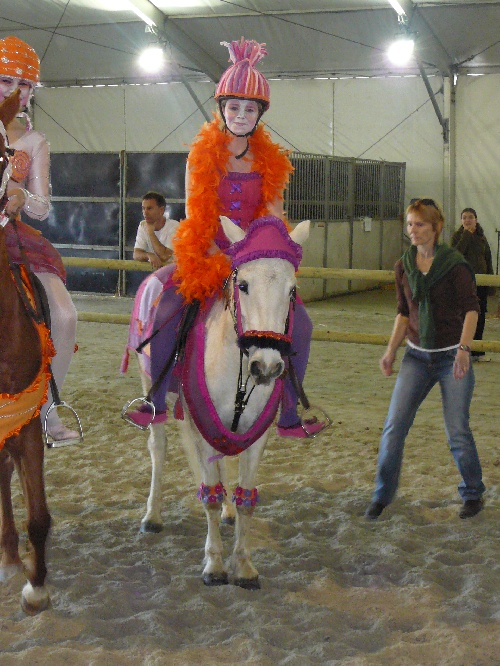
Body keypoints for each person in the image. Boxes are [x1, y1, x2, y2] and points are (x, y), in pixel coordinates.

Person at [125, 37, 327, 438]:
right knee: (166, 307)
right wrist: (220, 253)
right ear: (221, 108)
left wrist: (267, 254)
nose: (240, 114)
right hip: (209, 251)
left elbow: (271, 215)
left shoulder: (270, 161)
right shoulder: (199, 156)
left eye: (249, 108)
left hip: (253, 257)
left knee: (300, 322)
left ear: (259, 113)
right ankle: (156, 398)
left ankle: (288, 412)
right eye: (233, 106)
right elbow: (196, 213)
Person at [365, 199, 485, 521]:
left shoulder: (455, 265)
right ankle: (381, 495)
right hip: (416, 357)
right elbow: (404, 313)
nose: (412, 230)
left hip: (450, 357)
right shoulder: (403, 266)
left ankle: (473, 493)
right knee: (393, 427)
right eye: (409, 224)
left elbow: (472, 309)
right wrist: (391, 351)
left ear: (435, 228)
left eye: (419, 224)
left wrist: (463, 349)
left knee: (457, 429)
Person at [0, 36, 79, 444]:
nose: (15, 90)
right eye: (6, 80)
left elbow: (43, 208)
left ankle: (49, 410)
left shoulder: (35, 142)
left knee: (64, 315)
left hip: (15, 237)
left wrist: (21, 196)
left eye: (24, 83)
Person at [451, 208, 495, 360]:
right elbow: (456, 255)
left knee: (480, 316)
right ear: (461, 220)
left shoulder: (482, 237)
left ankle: (477, 352)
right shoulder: (457, 237)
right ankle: (463, 352)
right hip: (463, 284)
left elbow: (488, 259)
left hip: (481, 284)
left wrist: (491, 284)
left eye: (470, 217)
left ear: (476, 219)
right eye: (464, 217)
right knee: (464, 318)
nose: (467, 220)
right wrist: (466, 235)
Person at [133, 191, 178, 269]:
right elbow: (136, 254)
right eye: (143, 208)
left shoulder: (174, 226)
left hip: (176, 275)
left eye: (149, 208)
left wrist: (150, 233)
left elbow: (164, 256)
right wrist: (148, 255)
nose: (145, 213)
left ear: (161, 210)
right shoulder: (143, 225)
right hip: (158, 275)